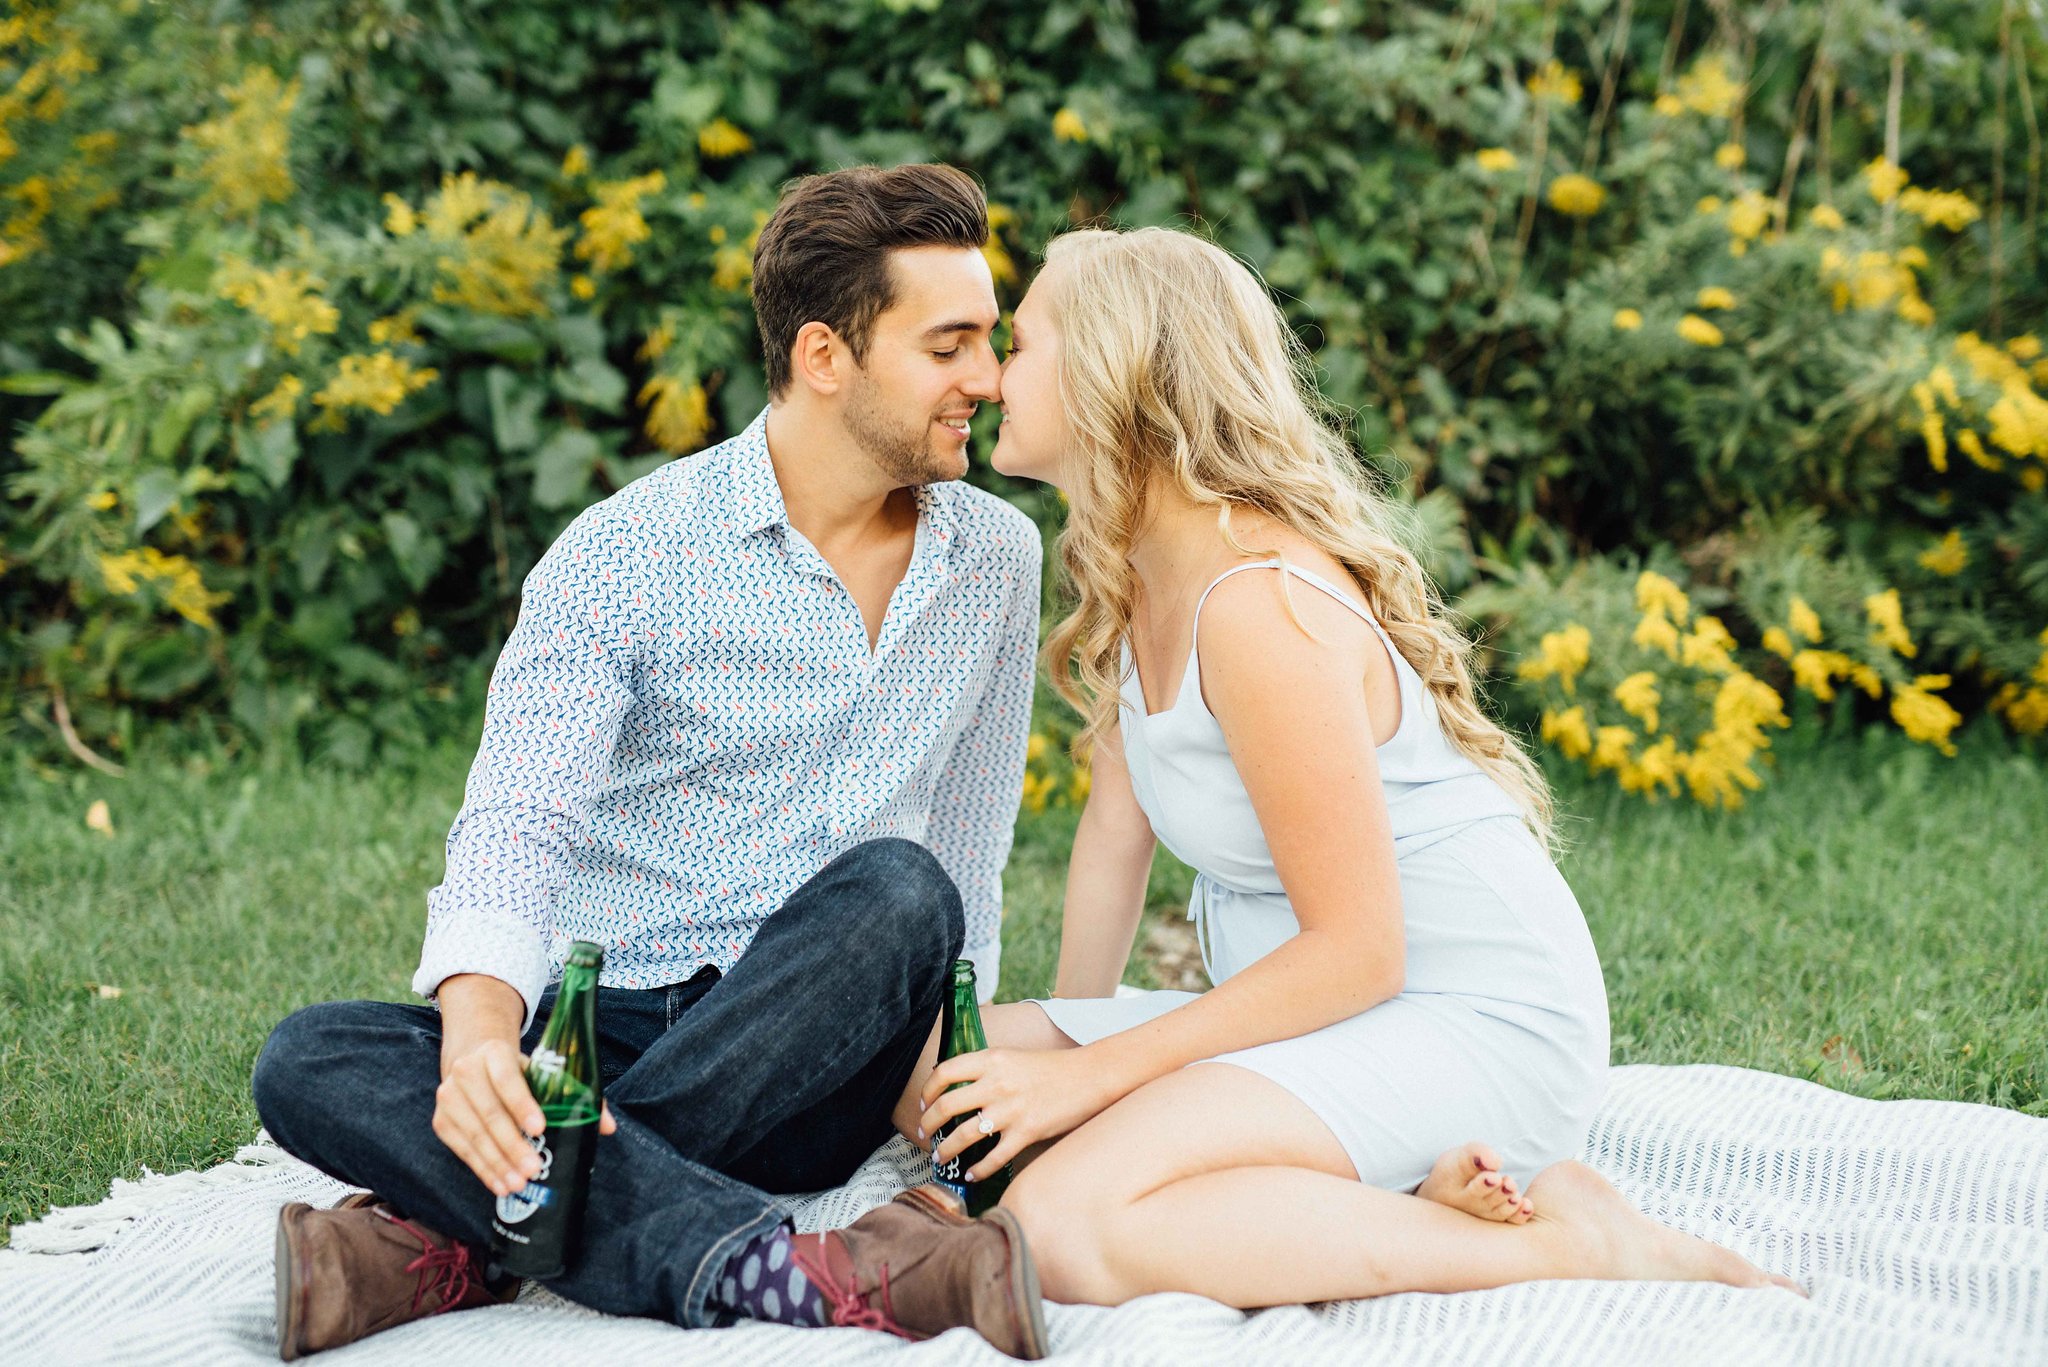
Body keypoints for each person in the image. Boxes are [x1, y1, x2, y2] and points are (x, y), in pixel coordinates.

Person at [901, 225, 1803, 1307]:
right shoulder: (1140, 564)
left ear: (1111, 372)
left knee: (1063, 1224)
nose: (994, 373)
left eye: (1023, 341)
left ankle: (1570, 1243)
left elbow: (1360, 950)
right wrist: (1053, 1077)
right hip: (1329, 1016)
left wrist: (1091, 1081)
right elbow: (1112, 833)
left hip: (1461, 1012)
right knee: (934, 1078)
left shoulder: (1255, 603)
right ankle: (1395, 1195)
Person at [251, 164, 1053, 1360]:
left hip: (821, 1048)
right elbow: (518, 819)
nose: (985, 383)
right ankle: (780, 1269)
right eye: (949, 348)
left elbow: (968, 852)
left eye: (988, 343)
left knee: (901, 888)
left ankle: (461, 1237)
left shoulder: (995, 554)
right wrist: (478, 1039)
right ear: (827, 355)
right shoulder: (626, 551)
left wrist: (960, 1103)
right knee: (310, 1056)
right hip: (603, 1021)